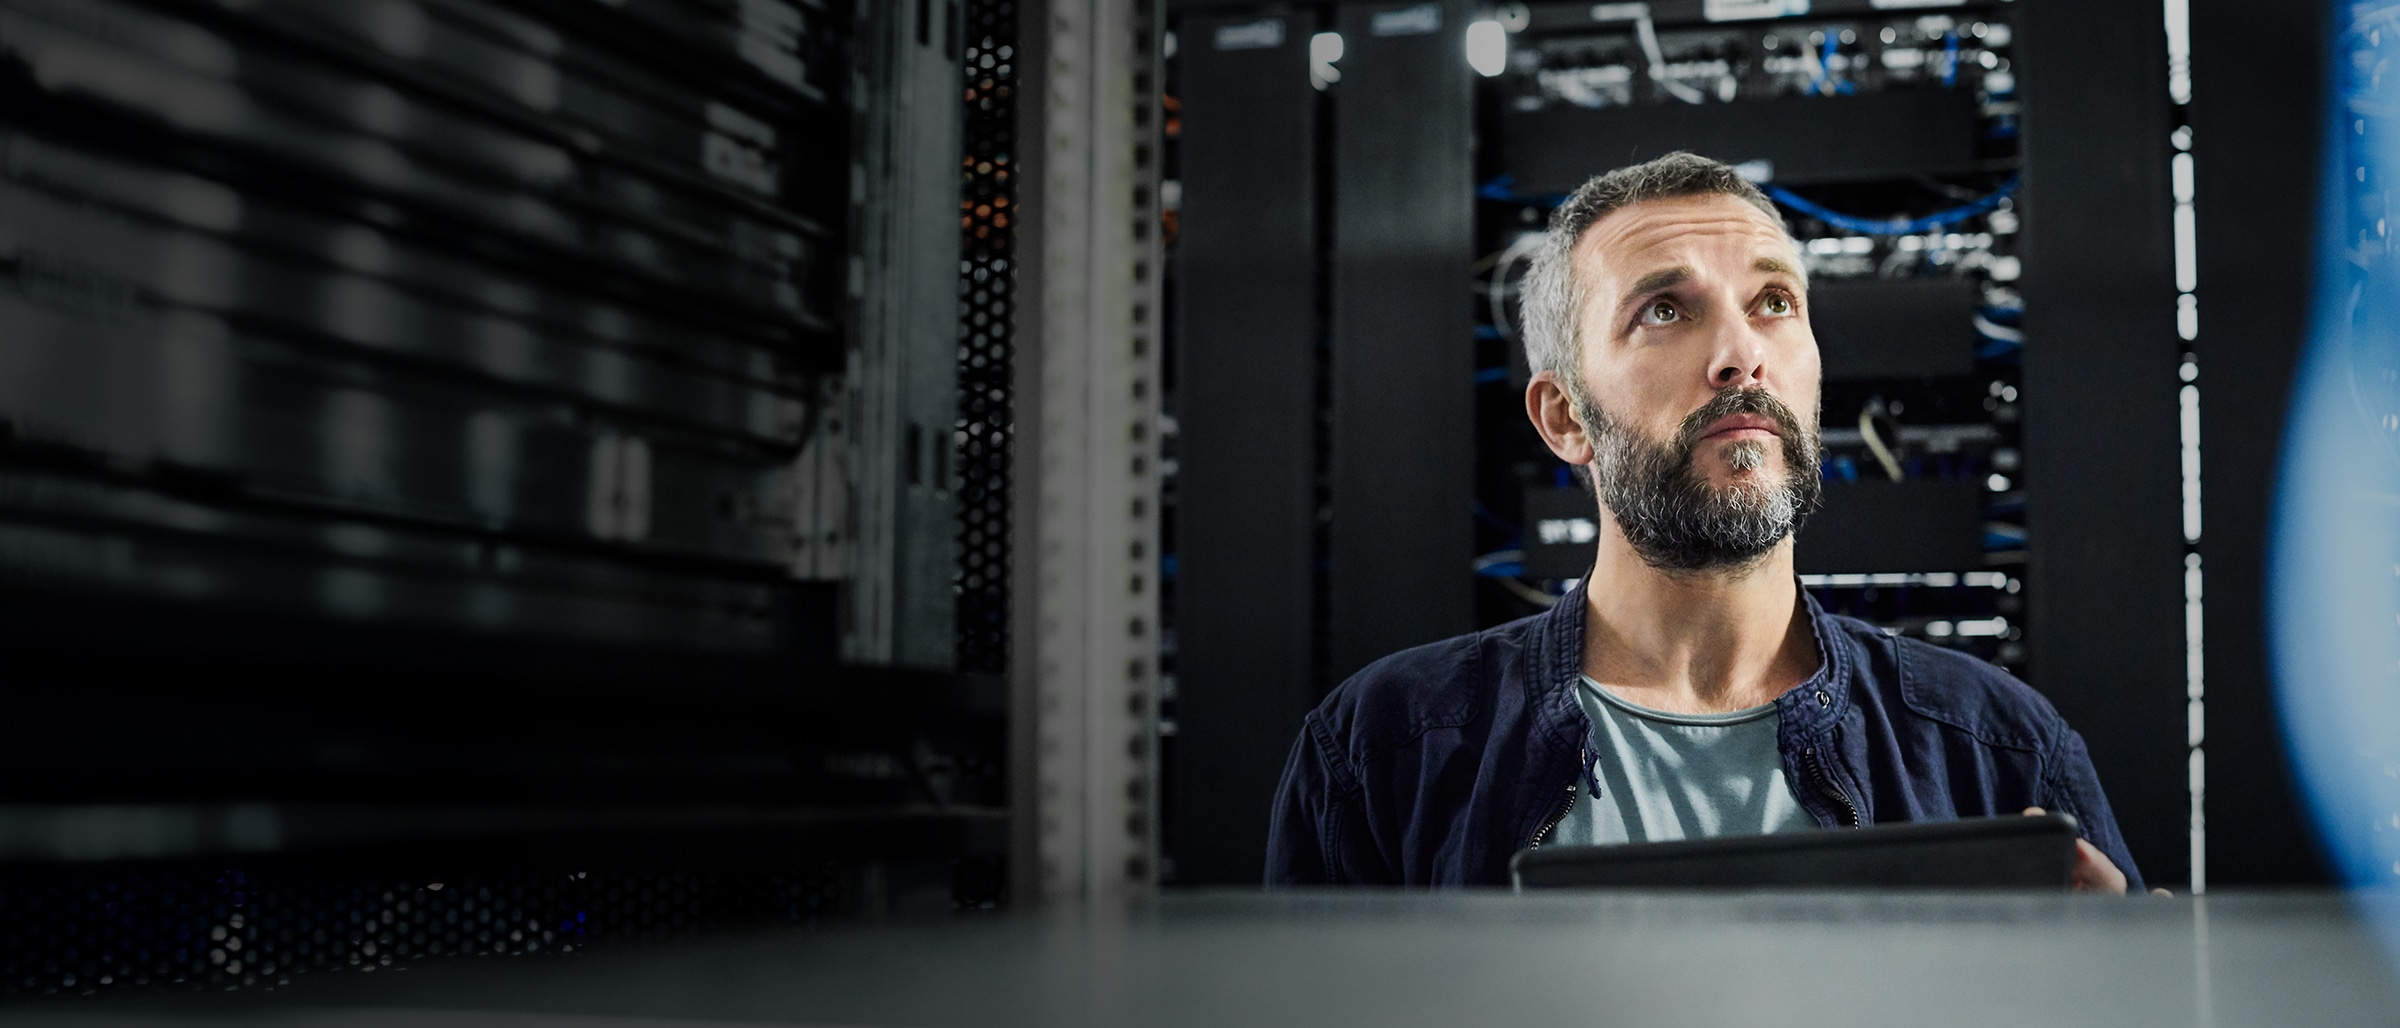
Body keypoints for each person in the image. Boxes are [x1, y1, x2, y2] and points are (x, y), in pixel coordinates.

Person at [1263, 152, 2143, 892]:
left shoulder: (1999, 753)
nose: (1741, 357)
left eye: (1773, 303)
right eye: (1665, 311)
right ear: (1565, 417)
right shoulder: (1384, 752)